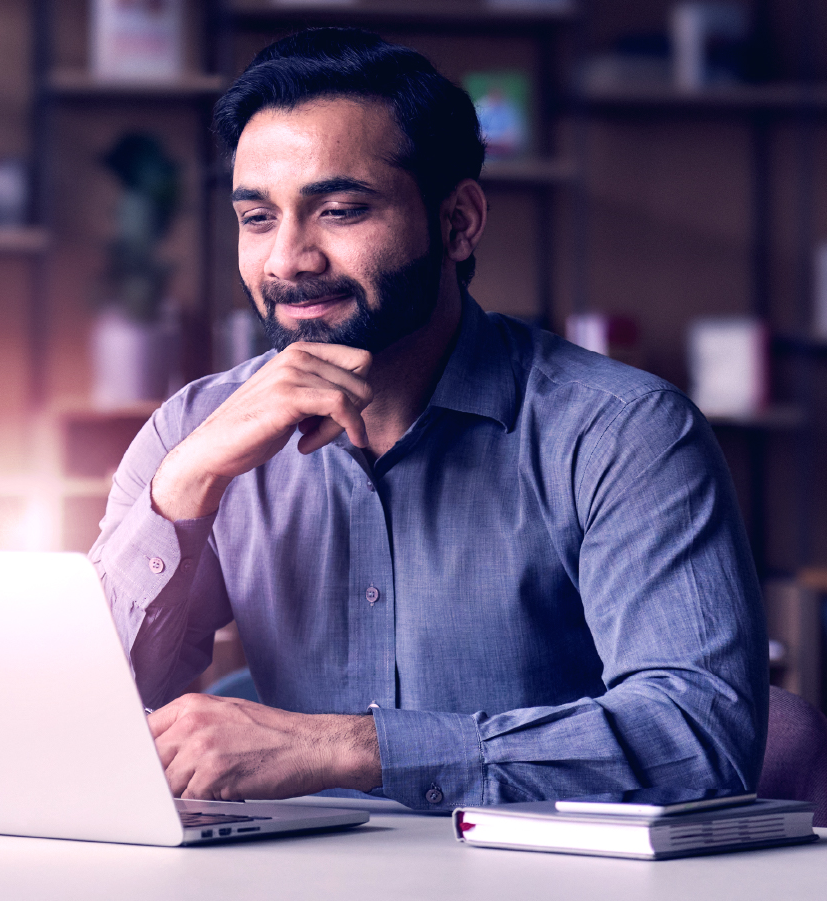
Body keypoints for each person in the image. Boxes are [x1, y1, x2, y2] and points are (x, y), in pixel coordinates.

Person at [90, 28, 768, 811]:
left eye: (340, 210)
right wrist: (182, 492)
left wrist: (349, 748)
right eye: (257, 219)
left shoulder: (624, 432)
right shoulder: (193, 432)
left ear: (458, 222)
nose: (287, 260)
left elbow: (701, 737)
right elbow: (81, 719)